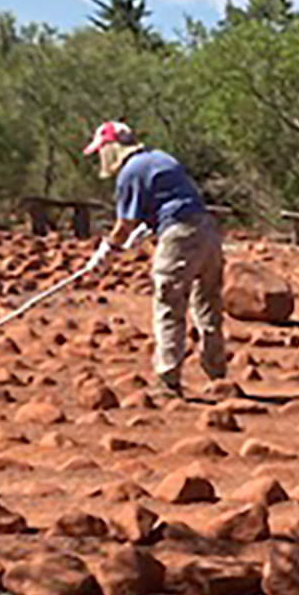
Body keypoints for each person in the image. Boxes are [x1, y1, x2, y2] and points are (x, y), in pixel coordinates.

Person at [83, 121, 229, 398]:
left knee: (169, 303)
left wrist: (106, 251)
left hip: (179, 235)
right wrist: (147, 229)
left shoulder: (130, 172)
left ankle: (167, 380)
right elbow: (172, 199)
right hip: (207, 230)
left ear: (113, 148)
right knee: (208, 303)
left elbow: (124, 223)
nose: (102, 157)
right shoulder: (160, 158)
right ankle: (217, 375)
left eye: (102, 150)